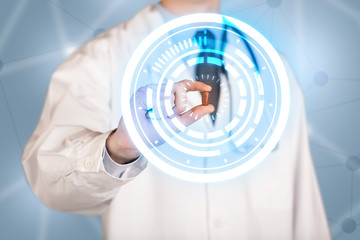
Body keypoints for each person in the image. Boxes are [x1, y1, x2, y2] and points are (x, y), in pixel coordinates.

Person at [22, 0, 331, 239]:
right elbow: (50, 183)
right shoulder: (99, 61)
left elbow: (305, 210)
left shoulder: (275, 70)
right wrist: (119, 149)